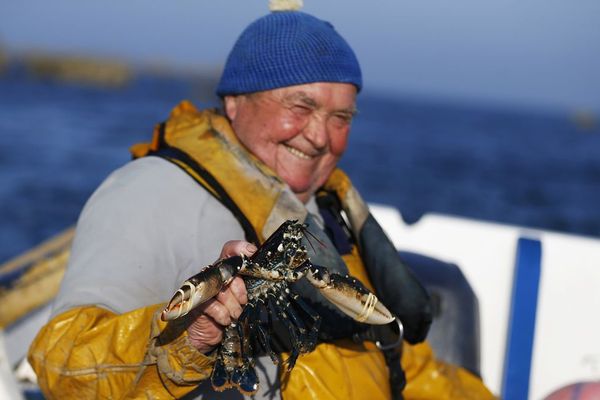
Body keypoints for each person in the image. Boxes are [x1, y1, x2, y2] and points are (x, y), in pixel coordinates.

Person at [28, 2, 495, 399]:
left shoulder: (330, 213)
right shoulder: (151, 194)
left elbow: (406, 367)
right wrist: (193, 336)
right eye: (301, 106)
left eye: (340, 117)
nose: (319, 137)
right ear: (235, 102)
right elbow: (62, 365)